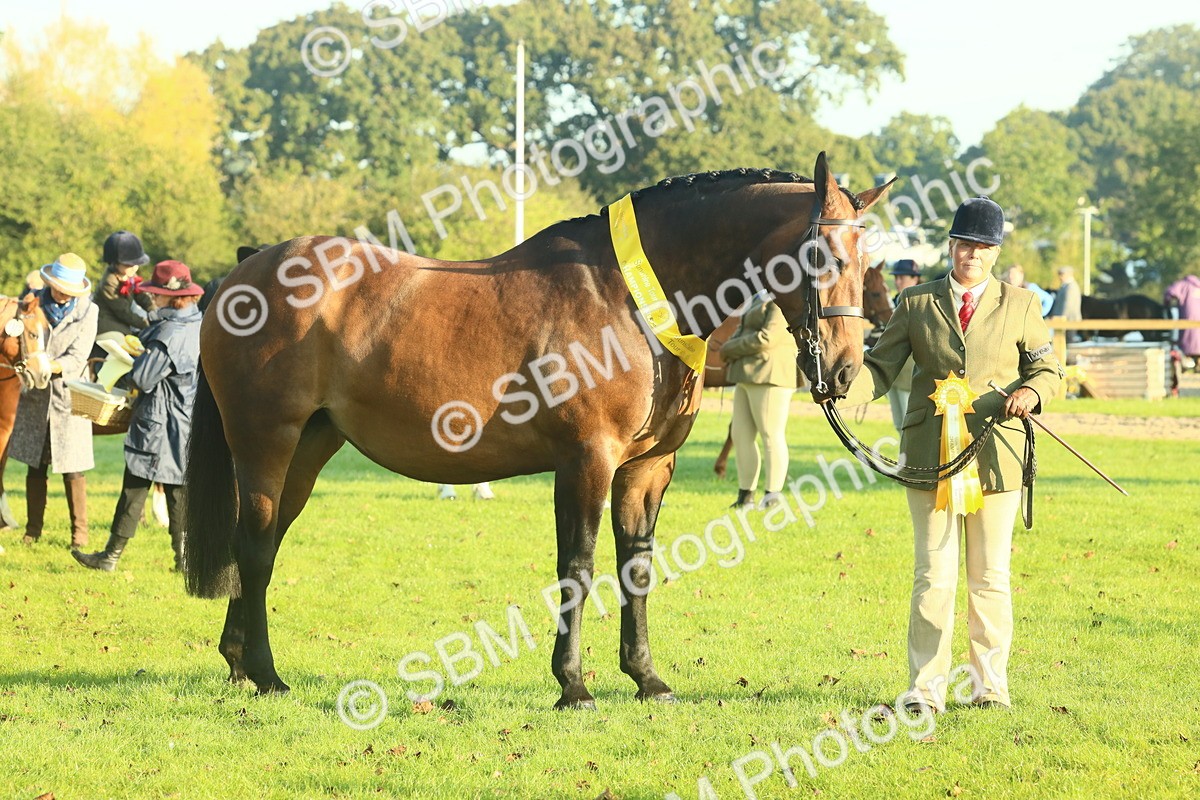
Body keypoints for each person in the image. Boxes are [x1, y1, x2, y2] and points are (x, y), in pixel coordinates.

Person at [839, 196, 1061, 714]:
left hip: (996, 456)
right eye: (966, 244)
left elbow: (1048, 370)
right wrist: (841, 387)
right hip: (929, 458)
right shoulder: (916, 303)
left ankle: (990, 687)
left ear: (996, 251)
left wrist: (1031, 393)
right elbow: (880, 369)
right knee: (933, 576)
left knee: (989, 578)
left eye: (984, 246)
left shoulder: (1022, 304)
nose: (973, 254)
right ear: (952, 246)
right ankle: (924, 690)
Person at [73, 261, 204, 571]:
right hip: (184, 419)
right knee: (177, 491)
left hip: (159, 421)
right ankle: (184, 560)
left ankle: (110, 557)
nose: (152, 300)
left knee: (134, 488)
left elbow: (143, 379)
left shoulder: (170, 333)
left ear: (174, 298)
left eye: (157, 295)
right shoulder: (195, 324)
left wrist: (129, 357)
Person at [9, 254, 99, 549]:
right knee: (36, 466)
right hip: (35, 394)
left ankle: (79, 534)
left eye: (69, 291)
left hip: (69, 394)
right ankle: (33, 530)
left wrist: (49, 364)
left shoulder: (89, 311)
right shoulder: (31, 302)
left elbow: (77, 356)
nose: (63, 295)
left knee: (74, 468)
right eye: (59, 288)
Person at [719, 292, 798, 509]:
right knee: (740, 435)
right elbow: (742, 329)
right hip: (746, 373)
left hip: (770, 374)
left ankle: (773, 495)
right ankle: (746, 496)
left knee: (771, 435)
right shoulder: (759, 296)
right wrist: (730, 345)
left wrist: (729, 348)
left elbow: (767, 338)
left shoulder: (783, 299)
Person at [92, 231, 154, 345]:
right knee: (127, 351)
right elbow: (124, 312)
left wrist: (153, 310)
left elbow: (141, 295)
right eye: (128, 265)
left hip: (122, 325)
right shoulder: (109, 282)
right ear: (115, 263)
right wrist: (147, 323)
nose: (134, 268)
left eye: (136, 264)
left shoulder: (129, 275)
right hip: (106, 327)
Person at [885, 260, 921, 431]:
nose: (898, 281)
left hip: (910, 375)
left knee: (910, 427)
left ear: (915, 279)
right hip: (893, 375)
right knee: (899, 424)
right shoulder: (890, 303)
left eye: (902, 277)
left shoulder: (921, 302)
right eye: (896, 278)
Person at [1164, 273, 1200, 365]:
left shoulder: (1183, 284)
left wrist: (1167, 303)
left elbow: (1170, 292)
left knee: (1187, 341)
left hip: (1187, 318)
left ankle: (1187, 362)